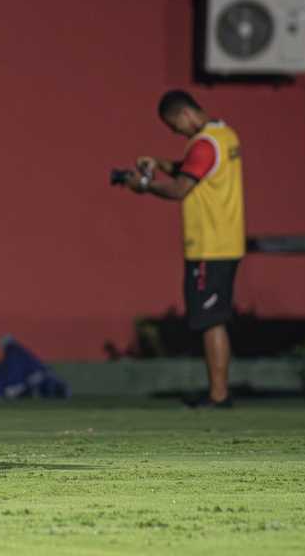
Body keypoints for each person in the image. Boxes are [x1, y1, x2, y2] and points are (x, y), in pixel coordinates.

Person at [116, 90, 244, 408]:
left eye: (174, 126)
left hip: (209, 246)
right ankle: (218, 392)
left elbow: (180, 189)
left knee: (210, 320)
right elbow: (196, 172)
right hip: (227, 241)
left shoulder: (202, 145)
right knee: (213, 318)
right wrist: (160, 163)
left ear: (185, 114)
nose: (177, 132)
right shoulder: (225, 134)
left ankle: (218, 395)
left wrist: (143, 186)